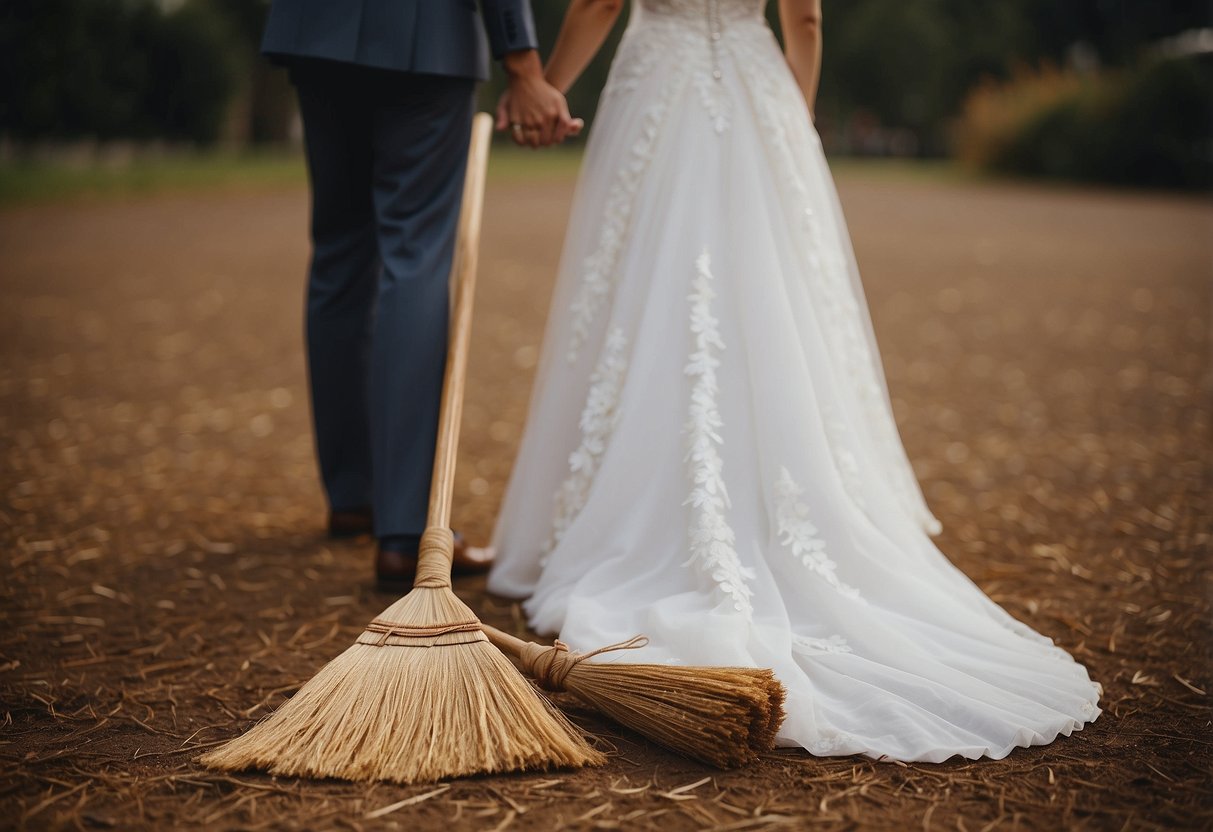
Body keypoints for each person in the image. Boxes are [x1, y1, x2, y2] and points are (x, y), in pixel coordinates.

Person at [488, 0, 1102, 762]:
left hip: (660, 87)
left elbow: (599, 2)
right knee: (777, 295)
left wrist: (542, 87)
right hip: (756, 87)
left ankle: (615, 506)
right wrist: (793, 108)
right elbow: (804, 17)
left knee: (644, 285)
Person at [260, 0, 579, 584]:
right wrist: (524, 65)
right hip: (424, 35)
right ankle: (406, 532)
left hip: (315, 29)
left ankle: (353, 495)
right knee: (416, 256)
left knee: (338, 252)